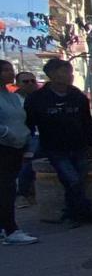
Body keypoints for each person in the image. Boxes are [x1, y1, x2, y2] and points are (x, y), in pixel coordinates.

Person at [25, 58, 92, 226]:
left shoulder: (77, 96)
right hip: (55, 148)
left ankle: (72, 214)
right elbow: (29, 123)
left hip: (79, 145)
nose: (70, 76)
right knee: (72, 179)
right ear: (52, 74)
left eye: (70, 72)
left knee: (78, 180)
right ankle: (83, 212)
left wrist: (91, 143)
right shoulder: (38, 98)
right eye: (65, 72)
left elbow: (87, 121)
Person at [0, 60, 37, 244]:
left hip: (17, 147)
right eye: (5, 70)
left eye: (11, 69)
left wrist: (24, 138)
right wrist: (7, 134)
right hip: (3, 147)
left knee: (8, 187)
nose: (10, 73)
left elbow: (21, 120)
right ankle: (10, 229)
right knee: (6, 188)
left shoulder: (13, 97)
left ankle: (5, 227)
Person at [13, 72, 38, 206]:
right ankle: (22, 193)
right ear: (18, 84)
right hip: (23, 136)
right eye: (26, 81)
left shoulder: (40, 97)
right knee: (28, 163)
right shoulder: (14, 100)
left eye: (32, 81)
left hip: (40, 134)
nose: (30, 84)